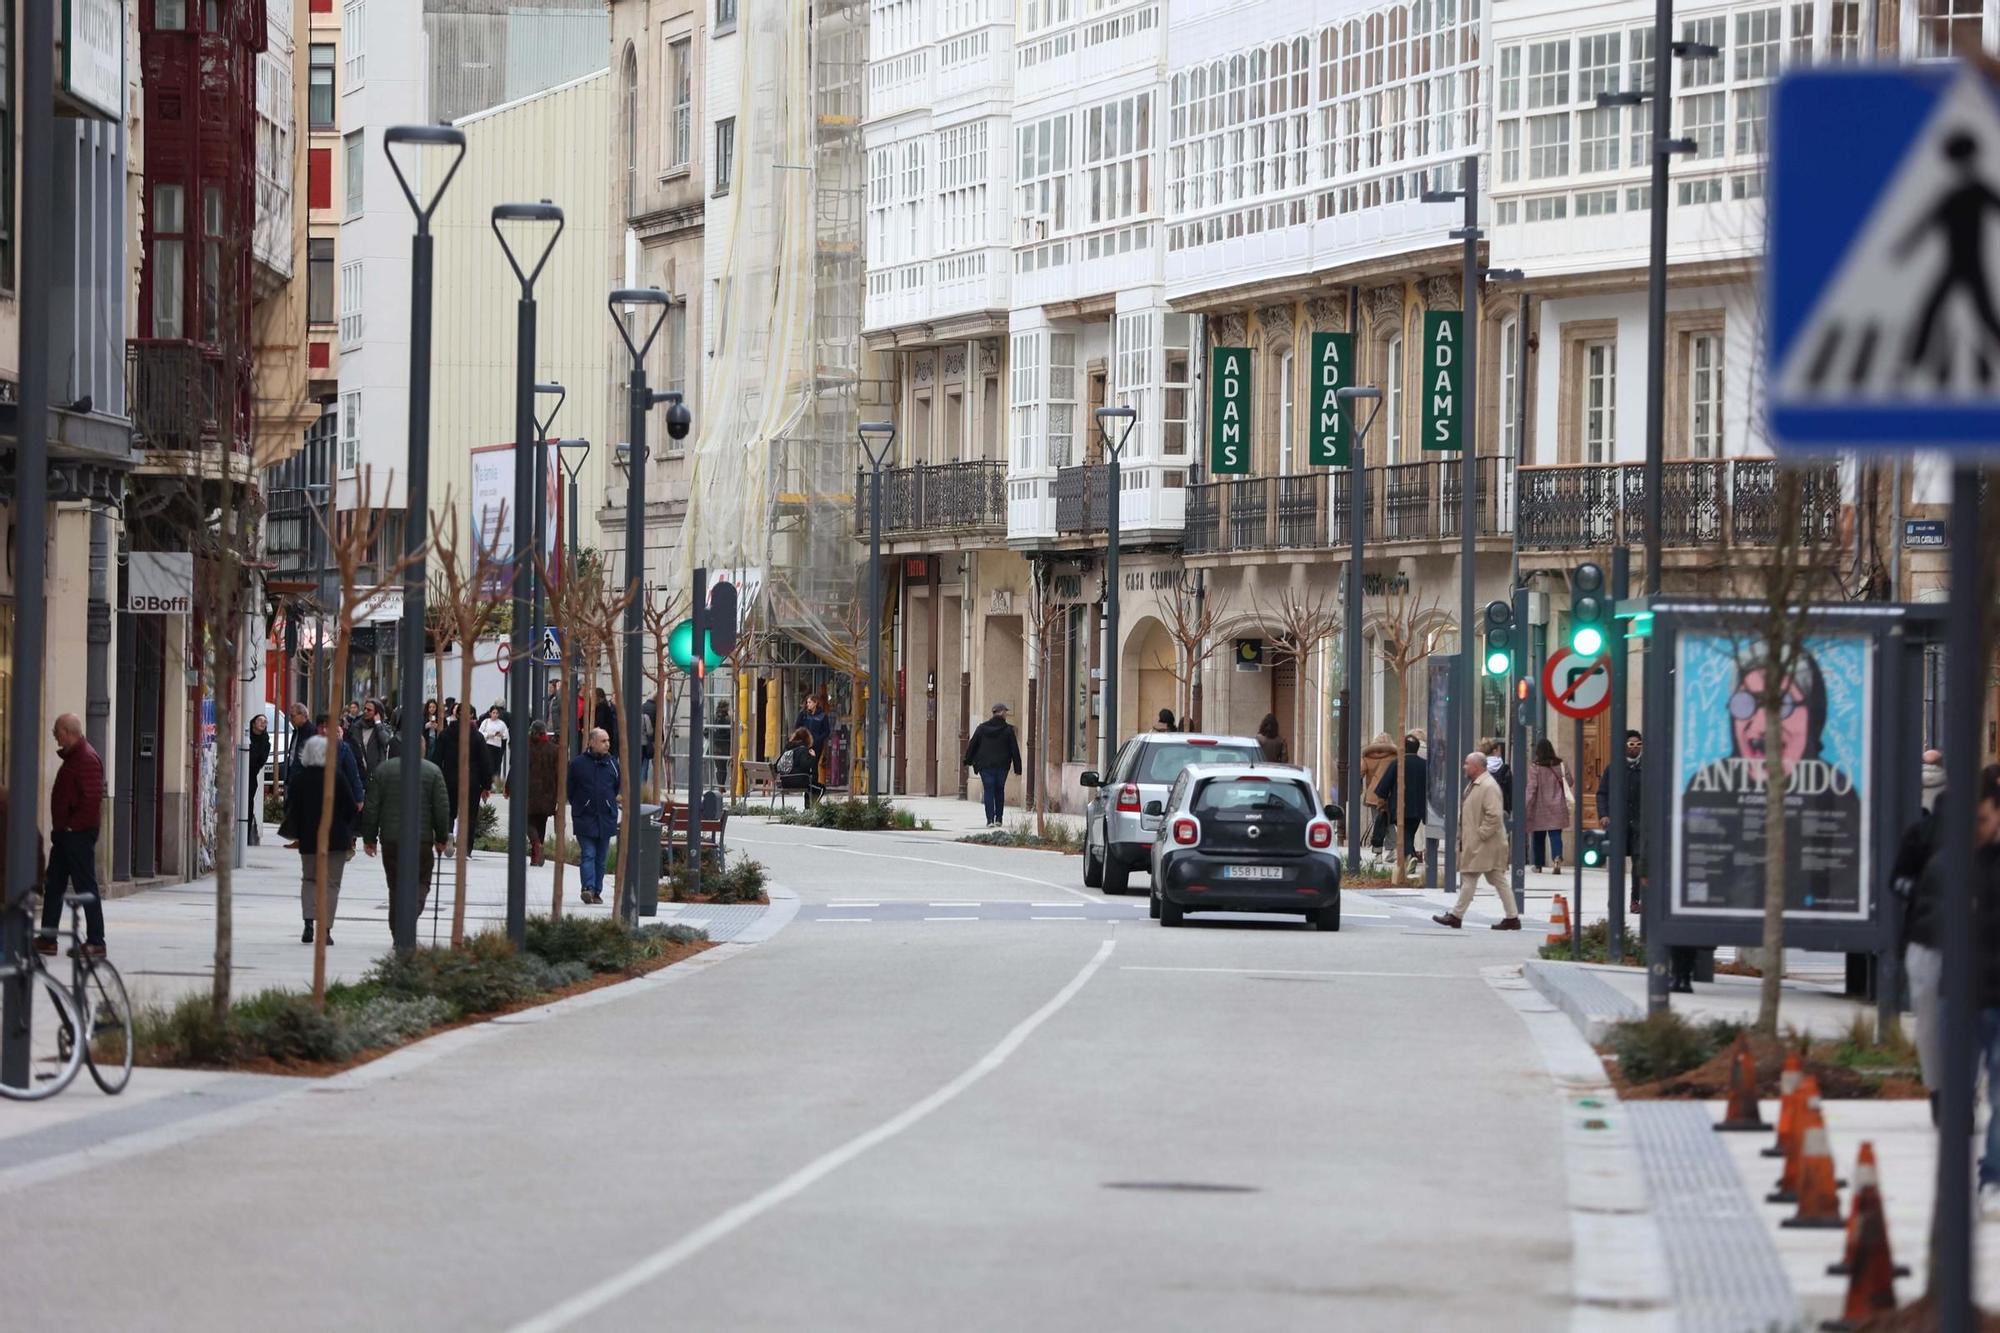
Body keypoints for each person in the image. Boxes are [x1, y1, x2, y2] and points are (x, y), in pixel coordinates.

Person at [36, 714, 106, 957]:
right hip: (67, 836)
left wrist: (71, 828)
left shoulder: (86, 759)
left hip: (76, 835)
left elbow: (91, 800)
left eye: (57, 731)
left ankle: (96, 941)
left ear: (68, 731)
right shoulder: (75, 758)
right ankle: (48, 937)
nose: (54, 735)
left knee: (86, 885)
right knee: (54, 884)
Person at [358, 747, 451, 915]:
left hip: (391, 839)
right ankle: (412, 910)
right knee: (422, 879)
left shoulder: (383, 770)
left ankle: (397, 932)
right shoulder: (433, 771)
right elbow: (441, 809)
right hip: (421, 839)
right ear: (423, 749)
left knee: (395, 886)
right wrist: (442, 837)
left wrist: (369, 838)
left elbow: (371, 807)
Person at [287, 734, 361, 945]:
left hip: (309, 839)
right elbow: (350, 807)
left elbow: (292, 808)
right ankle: (325, 929)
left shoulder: (300, 779)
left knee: (309, 879)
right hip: (336, 839)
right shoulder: (336, 777)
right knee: (331, 884)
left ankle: (308, 922)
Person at [1434, 751, 1521, 930]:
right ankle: (1512, 917)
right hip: (1481, 844)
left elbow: (1494, 815)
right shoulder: (1476, 785)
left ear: (1478, 766)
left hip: (1485, 844)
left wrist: (1480, 834)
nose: (1464, 767)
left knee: (1471, 877)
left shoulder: (1488, 786)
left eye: (1467, 763)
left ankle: (1456, 915)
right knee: (1492, 879)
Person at [568, 727, 620, 906]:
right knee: (589, 853)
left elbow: (616, 787)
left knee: (601, 858)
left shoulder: (613, 763)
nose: (607, 744)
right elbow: (571, 790)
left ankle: (597, 891)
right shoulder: (577, 764)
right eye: (603, 741)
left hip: (605, 817)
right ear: (591, 742)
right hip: (585, 817)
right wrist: (582, 805)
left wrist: (607, 804)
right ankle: (587, 888)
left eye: (608, 741)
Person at [1373, 733, 1429, 875]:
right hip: (1419, 807)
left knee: (1405, 833)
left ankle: (1410, 857)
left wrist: (1382, 801)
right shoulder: (1424, 765)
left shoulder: (1397, 763)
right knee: (1409, 832)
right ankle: (1409, 858)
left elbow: (1383, 786)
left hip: (1400, 806)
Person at [435, 703, 495, 834]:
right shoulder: (477, 737)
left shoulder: (445, 735)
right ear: (472, 716)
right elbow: (485, 762)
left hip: (450, 779)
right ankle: (467, 848)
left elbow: (437, 759)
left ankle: (449, 835)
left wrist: (437, 780)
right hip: (472, 781)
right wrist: (486, 785)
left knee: (450, 811)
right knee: (470, 815)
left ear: (456, 715)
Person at [963, 702, 1023, 829]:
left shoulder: (982, 728)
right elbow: (1014, 749)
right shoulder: (1008, 730)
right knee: (999, 790)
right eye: (1005, 712)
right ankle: (999, 818)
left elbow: (972, 745)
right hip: (1002, 766)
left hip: (985, 766)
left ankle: (989, 819)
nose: (1006, 714)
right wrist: (1018, 767)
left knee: (988, 790)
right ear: (1001, 713)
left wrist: (967, 760)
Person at [1525, 739, 1572, 873]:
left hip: (1540, 807)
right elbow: (1570, 782)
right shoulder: (1561, 765)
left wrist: (1526, 804)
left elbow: (1532, 788)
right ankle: (1557, 858)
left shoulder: (1535, 767)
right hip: (1558, 805)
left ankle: (1538, 865)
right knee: (1556, 834)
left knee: (1538, 836)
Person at [525, 720, 561, 863]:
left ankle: (536, 845)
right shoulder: (554, 749)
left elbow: (517, 767)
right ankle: (536, 856)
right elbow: (559, 773)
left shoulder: (526, 747)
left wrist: (509, 787)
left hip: (529, 792)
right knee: (541, 822)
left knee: (527, 821)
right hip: (548, 792)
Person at [1359, 732, 1398, 853]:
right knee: (1389, 821)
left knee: (1378, 821)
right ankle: (1392, 848)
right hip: (1389, 794)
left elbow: (1360, 773)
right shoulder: (1394, 756)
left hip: (1373, 794)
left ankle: (1378, 850)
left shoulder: (1367, 756)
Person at [778, 725, 823, 808]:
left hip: (785, 782)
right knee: (820, 788)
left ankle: (808, 808)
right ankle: (810, 808)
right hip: (798, 781)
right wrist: (812, 757)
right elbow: (805, 766)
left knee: (811, 785)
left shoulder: (787, 748)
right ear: (807, 739)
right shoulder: (803, 750)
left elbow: (777, 764)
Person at [246, 713, 271, 845]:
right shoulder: (245, 737)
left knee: (249, 805)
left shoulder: (265, 742)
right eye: (260, 720)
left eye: (265, 722)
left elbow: (260, 761)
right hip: (242, 775)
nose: (262, 723)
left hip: (251, 777)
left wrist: (251, 757)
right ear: (253, 722)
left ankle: (246, 836)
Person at [354, 699, 396, 777]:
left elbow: (386, 742)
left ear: (377, 713)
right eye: (365, 709)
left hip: (377, 772)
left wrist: (378, 723)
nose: (365, 711)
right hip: (359, 771)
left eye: (369, 710)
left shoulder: (383, 728)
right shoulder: (357, 727)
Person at [797, 693, 831, 778]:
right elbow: (797, 727)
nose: (807, 704)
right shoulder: (804, 715)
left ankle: (814, 787)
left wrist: (818, 740)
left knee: (814, 765)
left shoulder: (822, 716)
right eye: (807, 702)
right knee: (804, 765)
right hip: (805, 744)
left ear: (815, 703)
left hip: (816, 745)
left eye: (810, 702)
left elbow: (827, 731)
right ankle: (805, 786)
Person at [480, 704, 509, 783]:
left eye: (497, 713)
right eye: (493, 713)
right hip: (488, 745)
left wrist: (501, 735)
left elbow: (506, 735)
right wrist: (489, 735)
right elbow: (480, 732)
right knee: (489, 764)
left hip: (497, 746)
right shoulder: (485, 722)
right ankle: (488, 781)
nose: (495, 715)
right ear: (490, 713)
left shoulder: (501, 723)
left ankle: (495, 783)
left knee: (496, 765)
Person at [1485, 740, 1513, 819]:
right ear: (1495, 751)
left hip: (1485, 806)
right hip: (1502, 807)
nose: (1501, 754)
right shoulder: (1505, 769)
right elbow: (1510, 791)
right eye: (1500, 751)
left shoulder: (1481, 768)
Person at [594, 688, 620, 760]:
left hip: (612, 736)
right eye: (614, 698)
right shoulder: (607, 707)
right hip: (611, 736)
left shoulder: (603, 707)